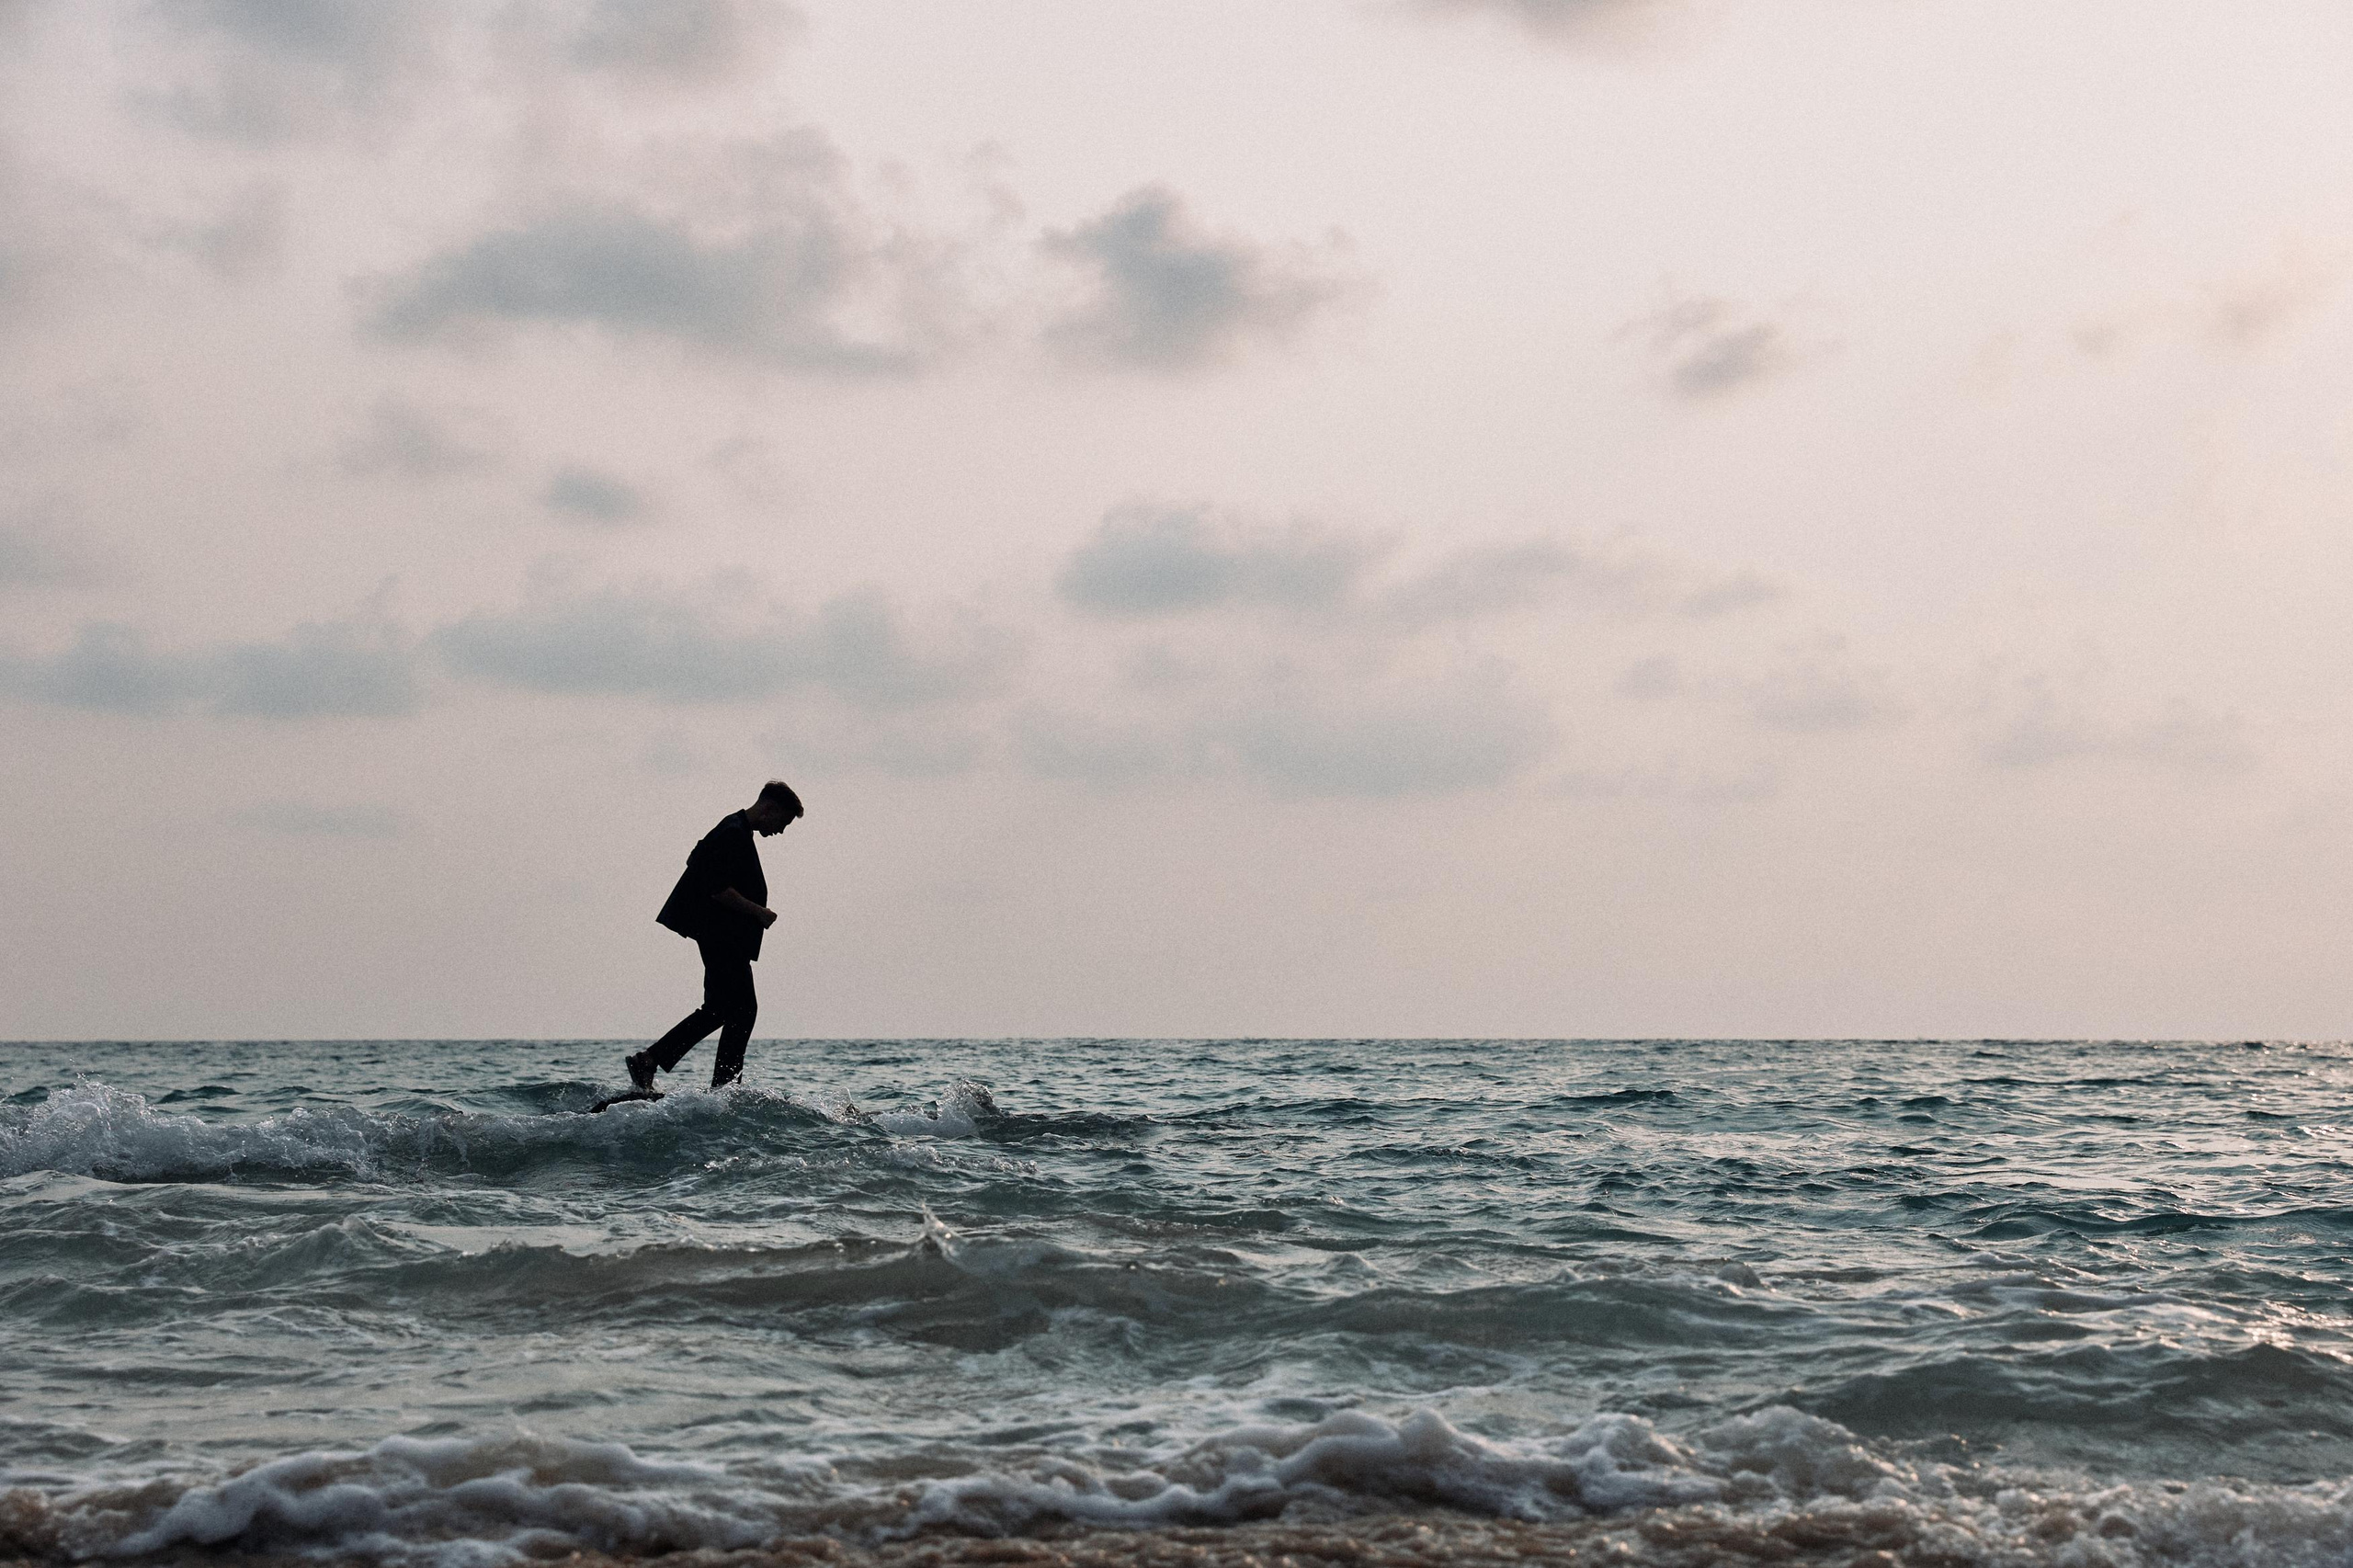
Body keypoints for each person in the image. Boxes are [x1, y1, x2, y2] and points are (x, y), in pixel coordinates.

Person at [626, 780, 803, 1092]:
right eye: (783, 822)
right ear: (769, 809)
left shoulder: (734, 831)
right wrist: (758, 912)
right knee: (742, 1008)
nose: (781, 831)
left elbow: (698, 861)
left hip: (721, 936)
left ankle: (656, 1062)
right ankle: (722, 1087)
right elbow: (717, 889)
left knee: (723, 1008)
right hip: (720, 937)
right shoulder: (732, 832)